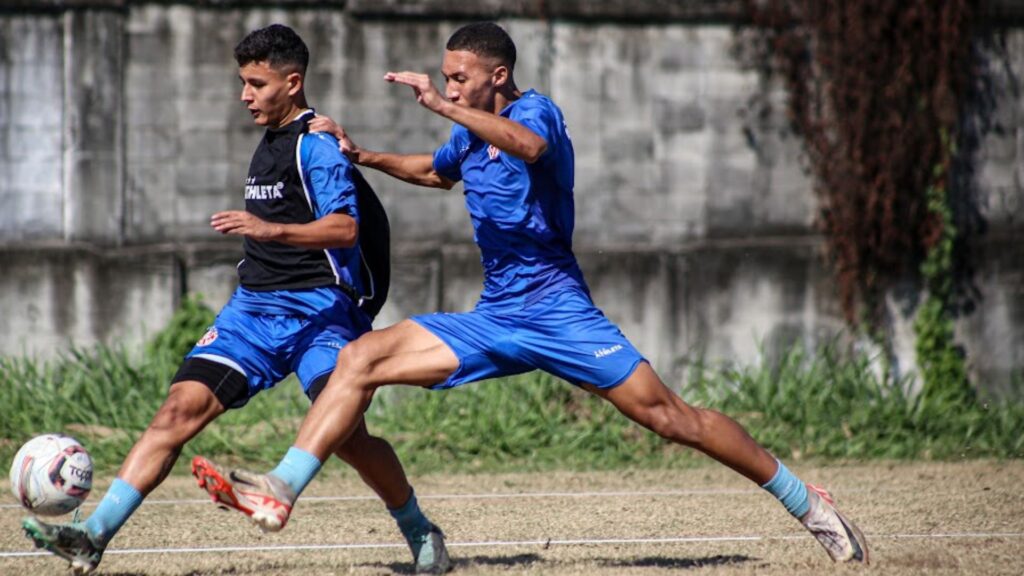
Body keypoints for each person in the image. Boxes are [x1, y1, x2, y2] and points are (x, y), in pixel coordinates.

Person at [194, 21, 869, 565]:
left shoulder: (535, 113)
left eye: (460, 78)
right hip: (496, 318)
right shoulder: (467, 130)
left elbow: (527, 147)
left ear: (498, 75)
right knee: (358, 360)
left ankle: (803, 497)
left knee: (672, 418)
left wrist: (437, 103)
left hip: (560, 315)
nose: (450, 88)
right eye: (446, 78)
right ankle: (281, 489)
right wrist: (360, 153)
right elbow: (435, 171)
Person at [22, 24, 451, 575]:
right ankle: (92, 534)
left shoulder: (316, 146)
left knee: (352, 440)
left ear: (292, 83)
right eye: (242, 82)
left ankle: (419, 530)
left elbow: (344, 229)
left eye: (256, 83)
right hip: (252, 313)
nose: (244, 95)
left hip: (322, 315)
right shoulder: (270, 139)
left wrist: (268, 230)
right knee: (177, 411)